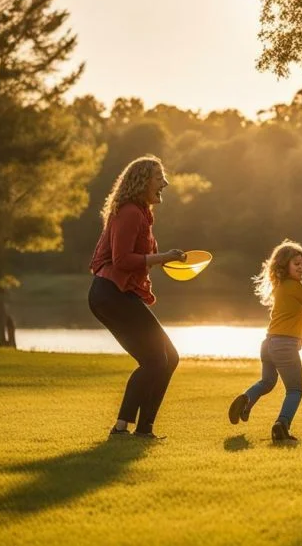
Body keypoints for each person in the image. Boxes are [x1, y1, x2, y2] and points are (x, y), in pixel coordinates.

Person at [88, 155, 186, 440]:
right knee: (157, 360)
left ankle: (144, 429)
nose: (164, 184)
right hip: (110, 294)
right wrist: (160, 258)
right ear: (143, 181)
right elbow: (121, 261)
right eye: (159, 178)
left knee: (167, 359)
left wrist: (165, 260)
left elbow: (136, 258)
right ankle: (122, 427)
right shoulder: (129, 211)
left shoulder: (141, 213)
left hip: (117, 294)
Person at [228, 240, 302, 442]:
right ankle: (281, 426)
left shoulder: (280, 287)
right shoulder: (295, 287)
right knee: (295, 390)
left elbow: (300, 313)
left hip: (268, 344)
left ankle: (246, 398)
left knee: (267, 382)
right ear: (285, 266)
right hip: (285, 345)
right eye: (297, 264)